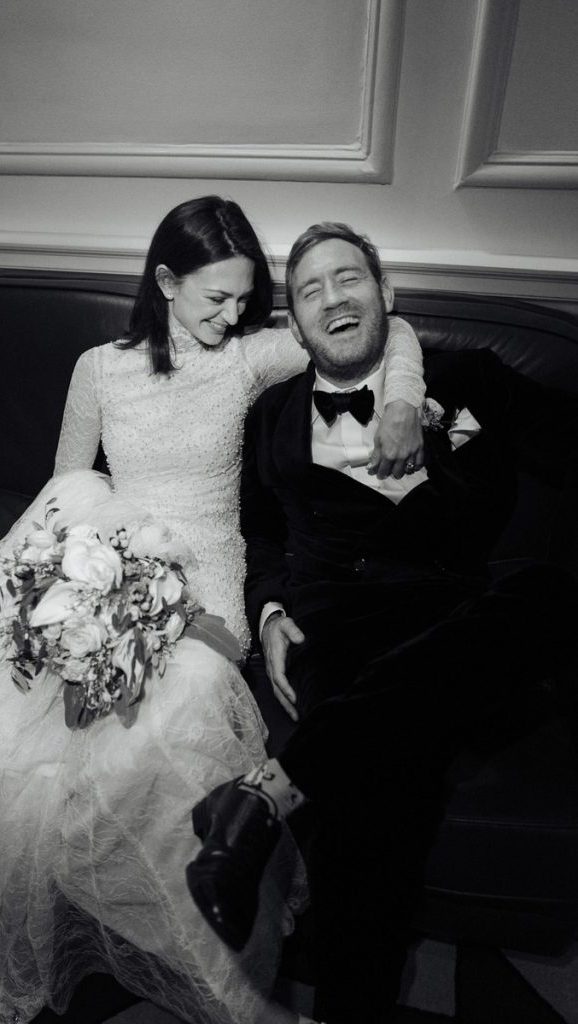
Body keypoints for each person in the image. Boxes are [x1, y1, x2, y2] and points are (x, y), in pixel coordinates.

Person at [0, 199, 426, 1024]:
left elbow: (383, 330)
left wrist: (399, 403)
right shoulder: (98, 368)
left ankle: (229, 987)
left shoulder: (248, 359)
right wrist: (78, 582)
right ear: (166, 282)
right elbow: (68, 487)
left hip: (207, 586)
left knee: (150, 750)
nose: (234, 314)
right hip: (106, 567)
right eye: (216, 298)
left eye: (245, 299)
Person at [186, 221, 578, 1024]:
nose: (332, 298)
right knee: (378, 799)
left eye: (348, 278)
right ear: (294, 324)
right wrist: (266, 613)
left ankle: (268, 794)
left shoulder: (467, 376)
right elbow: (256, 532)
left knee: (544, 590)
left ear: (385, 296)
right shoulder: (268, 417)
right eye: (310, 290)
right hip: (340, 621)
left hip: (457, 607)